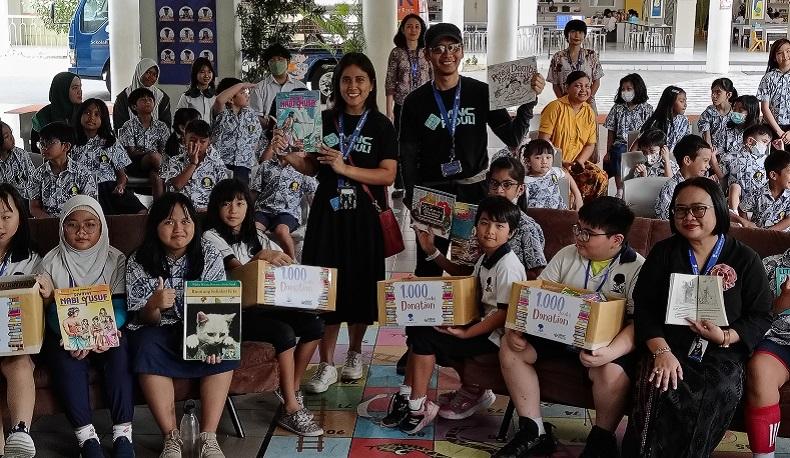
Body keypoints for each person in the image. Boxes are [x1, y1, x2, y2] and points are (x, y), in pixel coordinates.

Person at [623, 177, 773, 457]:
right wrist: (661, 352)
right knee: (659, 383)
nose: (688, 217)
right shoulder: (664, 253)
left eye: (698, 209)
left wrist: (726, 335)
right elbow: (645, 307)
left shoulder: (745, 258)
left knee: (716, 388)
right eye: (680, 210)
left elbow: (761, 315)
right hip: (668, 344)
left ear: (718, 209)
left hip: (721, 350)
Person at [280, 52, 396, 393]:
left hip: (364, 217)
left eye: (360, 79)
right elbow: (315, 168)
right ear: (337, 84)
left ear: (371, 84)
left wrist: (345, 168)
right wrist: (290, 157)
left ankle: (355, 354)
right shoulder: (324, 120)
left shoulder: (381, 125)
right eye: (346, 80)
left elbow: (387, 175)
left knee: (360, 286)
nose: (353, 86)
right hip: (328, 216)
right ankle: (327, 363)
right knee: (326, 288)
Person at [495, 197, 644, 458]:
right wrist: (516, 329)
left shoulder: (637, 268)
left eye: (588, 233)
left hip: (605, 345)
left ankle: (602, 440)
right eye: (578, 229)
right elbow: (537, 294)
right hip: (559, 333)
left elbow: (638, 324)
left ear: (616, 240)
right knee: (511, 347)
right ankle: (534, 431)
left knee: (610, 371)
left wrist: (608, 352)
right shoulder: (567, 255)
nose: (579, 237)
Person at [400, 22, 544, 278]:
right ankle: (422, 320)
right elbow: (407, 154)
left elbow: (512, 136)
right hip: (432, 194)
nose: (447, 54)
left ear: (462, 51)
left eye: (453, 47)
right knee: (428, 265)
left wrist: (528, 102)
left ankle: (472, 319)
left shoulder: (480, 93)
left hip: (472, 192)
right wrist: (412, 197)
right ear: (427, 54)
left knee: (472, 265)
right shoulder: (415, 101)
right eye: (439, 48)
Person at [394, 196, 526, 434]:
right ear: (476, 226)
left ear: (512, 233)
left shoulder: (508, 266)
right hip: (478, 323)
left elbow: (504, 314)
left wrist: (467, 333)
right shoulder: (488, 257)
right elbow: (465, 277)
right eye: (485, 223)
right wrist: (432, 252)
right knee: (417, 322)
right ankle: (407, 396)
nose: (490, 231)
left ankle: (417, 407)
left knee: (424, 335)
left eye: (499, 226)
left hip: (494, 337)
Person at [202, 179, 324, 436]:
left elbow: (286, 266)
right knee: (282, 333)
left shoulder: (257, 236)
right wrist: (260, 258)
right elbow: (237, 272)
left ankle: (291, 387)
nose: (233, 210)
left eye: (239, 203)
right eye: (226, 204)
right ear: (216, 208)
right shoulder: (210, 236)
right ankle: (290, 408)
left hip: (262, 305)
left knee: (314, 324)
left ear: (249, 206)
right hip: (229, 309)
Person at [126, 193, 235, 458]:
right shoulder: (138, 260)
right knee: (145, 345)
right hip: (159, 329)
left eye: (185, 221)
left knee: (223, 344)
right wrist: (153, 304)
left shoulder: (208, 254)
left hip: (200, 326)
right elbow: (142, 319)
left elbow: (217, 308)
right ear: (155, 226)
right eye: (169, 222)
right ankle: (171, 438)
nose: (179, 229)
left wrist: (211, 339)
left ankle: (208, 437)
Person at [37, 195, 134, 458]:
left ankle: (123, 434)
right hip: (66, 335)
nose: (81, 231)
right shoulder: (50, 262)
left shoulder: (116, 259)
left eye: (91, 224)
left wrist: (102, 334)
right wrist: (71, 338)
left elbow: (120, 306)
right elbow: (50, 310)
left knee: (120, 347)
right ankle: (86, 438)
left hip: (105, 331)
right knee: (64, 357)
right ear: (61, 227)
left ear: (102, 226)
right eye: (72, 224)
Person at [416, 156, 547, 281]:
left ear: (520, 189)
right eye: (494, 183)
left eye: (507, 184)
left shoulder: (526, 227)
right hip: (478, 296)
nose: (499, 190)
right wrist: (431, 250)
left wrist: (505, 278)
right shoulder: (474, 220)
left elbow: (538, 275)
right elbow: (465, 273)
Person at [0, 185, 42, 458]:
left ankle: (20, 434)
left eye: (5, 216)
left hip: (15, 339)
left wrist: (45, 291)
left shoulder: (32, 259)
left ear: (20, 218)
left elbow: (38, 308)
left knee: (19, 363)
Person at [746, 244, 790, 457]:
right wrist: (780, 304)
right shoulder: (769, 264)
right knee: (760, 369)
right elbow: (753, 315)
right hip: (777, 342)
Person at [538, 71, 607, 203]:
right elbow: (543, 141)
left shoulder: (589, 112)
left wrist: (580, 161)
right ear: (567, 87)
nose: (584, 90)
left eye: (587, 86)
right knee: (566, 187)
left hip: (576, 163)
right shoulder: (555, 107)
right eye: (578, 86)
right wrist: (560, 161)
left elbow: (590, 144)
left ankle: (592, 217)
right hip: (554, 163)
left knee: (601, 177)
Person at [249, 129, 316, 259]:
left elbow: (312, 195)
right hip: (264, 209)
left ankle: (291, 262)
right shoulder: (266, 165)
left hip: (287, 212)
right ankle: (257, 260)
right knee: (254, 230)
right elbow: (254, 192)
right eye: (282, 141)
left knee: (281, 231)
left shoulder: (302, 170)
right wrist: (247, 212)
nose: (285, 144)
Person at [385, 13, 432, 198]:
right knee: (403, 145)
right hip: (402, 106)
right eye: (409, 26)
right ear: (403, 30)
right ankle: (401, 185)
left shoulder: (427, 51)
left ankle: (422, 180)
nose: (413, 30)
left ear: (422, 30)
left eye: (417, 26)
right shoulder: (396, 52)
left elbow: (434, 78)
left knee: (426, 142)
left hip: (425, 106)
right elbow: (390, 82)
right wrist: (389, 111)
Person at [72, 98, 145, 215]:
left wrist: (120, 186)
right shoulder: (71, 144)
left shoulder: (110, 143)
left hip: (110, 188)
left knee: (141, 212)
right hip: (82, 190)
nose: (91, 117)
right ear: (80, 115)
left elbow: (121, 175)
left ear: (103, 119)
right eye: (87, 112)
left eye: (97, 114)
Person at [29, 122, 97, 218]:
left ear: (66, 146)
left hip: (76, 222)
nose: (44, 147)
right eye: (41, 143)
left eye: (49, 143)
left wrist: (70, 223)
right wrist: (51, 223)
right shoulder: (38, 175)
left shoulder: (83, 173)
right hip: (47, 223)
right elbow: (34, 208)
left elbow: (89, 205)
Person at [604, 73, 653, 196]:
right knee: (618, 152)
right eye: (623, 89)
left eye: (629, 89)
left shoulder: (647, 109)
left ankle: (638, 189)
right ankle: (620, 189)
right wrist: (608, 151)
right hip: (621, 144)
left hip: (641, 145)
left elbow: (651, 131)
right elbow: (611, 131)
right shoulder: (617, 108)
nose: (625, 92)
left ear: (637, 89)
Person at [161, 120, 227, 212]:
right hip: (181, 212)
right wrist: (193, 163)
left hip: (207, 213)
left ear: (209, 143)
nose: (197, 145)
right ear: (184, 140)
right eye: (193, 140)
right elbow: (177, 185)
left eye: (202, 142)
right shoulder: (175, 161)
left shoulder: (216, 163)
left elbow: (224, 193)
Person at [117, 87, 170, 199]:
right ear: (134, 106)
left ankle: (158, 209)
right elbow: (131, 153)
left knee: (156, 176)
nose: (147, 101)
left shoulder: (161, 126)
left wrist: (154, 154)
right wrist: (150, 153)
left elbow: (165, 150)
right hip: (135, 165)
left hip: (156, 166)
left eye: (150, 99)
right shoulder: (129, 125)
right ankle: (170, 178)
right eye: (143, 99)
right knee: (155, 157)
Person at [211, 78, 261, 185]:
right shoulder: (222, 114)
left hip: (244, 165)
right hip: (222, 163)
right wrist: (241, 84)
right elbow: (219, 100)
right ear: (230, 99)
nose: (247, 95)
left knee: (240, 196)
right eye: (243, 93)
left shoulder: (251, 115)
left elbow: (256, 139)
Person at [654, 135, 713, 220]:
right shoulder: (670, 188)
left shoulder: (707, 185)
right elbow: (664, 221)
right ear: (687, 160)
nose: (708, 166)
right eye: (705, 161)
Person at [546, 19, 604, 103]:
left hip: (587, 103)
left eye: (580, 32)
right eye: (573, 32)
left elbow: (597, 81)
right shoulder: (558, 57)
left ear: (584, 35)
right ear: (566, 35)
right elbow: (555, 84)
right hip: (565, 103)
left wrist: (588, 99)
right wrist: (564, 102)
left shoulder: (591, 55)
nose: (577, 35)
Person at [249, 44, 307, 129]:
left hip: (296, 134)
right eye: (272, 60)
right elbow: (256, 116)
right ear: (267, 64)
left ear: (287, 61)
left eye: (280, 59)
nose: (276, 63)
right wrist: (271, 125)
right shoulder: (259, 88)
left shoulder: (300, 87)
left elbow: (307, 112)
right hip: (269, 135)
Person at [733, 149, 790, 231]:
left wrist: (768, 232)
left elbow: (788, 220)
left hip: (780, 237)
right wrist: (747, 227)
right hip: (759, 236)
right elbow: (742, 209)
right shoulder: (756, 194)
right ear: (773, 175)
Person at [721, 123, 773, 211]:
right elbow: (721, 174)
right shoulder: (730, 156)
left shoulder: (766, 159)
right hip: (739, 197)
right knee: (734, 187)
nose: (765, 146)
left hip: (758, 197)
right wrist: (713, 161)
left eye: (767, 144)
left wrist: (781, 150)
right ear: (750, 141)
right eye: (764, 142)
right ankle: (734, 214)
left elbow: (778, 172)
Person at [522, 139, 583, 210]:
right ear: (528, 161)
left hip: (561, 214)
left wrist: (578, 196)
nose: (544, 161)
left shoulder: (554, 172)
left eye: (548, 157)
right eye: (538, 158)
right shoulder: (525, 182)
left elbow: (566, 174)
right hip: (539, 217)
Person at [31, 72, 82, 155]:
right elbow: (36, 150)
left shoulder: (85, 112)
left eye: (80, 87)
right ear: (62, 90)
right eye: (75, 88)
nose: (79, 92)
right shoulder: (42, 117)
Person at [113, 58, 172, 130]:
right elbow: (119, 126)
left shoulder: (161, 97)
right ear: (139, 72)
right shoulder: (123, 98)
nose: (151, 77)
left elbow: (166, 125)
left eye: (154, 75)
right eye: (148, 72)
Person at [640, 86, 690, 153]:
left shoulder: (684, 120)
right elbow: (641, 145)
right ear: (670, 102)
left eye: (685, 100)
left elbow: (687, 142)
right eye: (681, 101)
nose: (685, 104)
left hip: (676, 159)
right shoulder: (655, 122)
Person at [758, 39, 790, 144]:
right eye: (780, 53)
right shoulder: (768, 78)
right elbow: (765, 108)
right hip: (771, 128)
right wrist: (779, 132)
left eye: (788, 51)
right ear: (774, 57)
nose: (785, 56)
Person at [0, 121, 37, 201]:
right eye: (6, 136)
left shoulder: (21, 154)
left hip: (25, 202)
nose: (12, 138)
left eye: (11, 133)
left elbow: (33, 181)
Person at [176, 57, 216, 123]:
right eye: (202, 72)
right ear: (195, 74)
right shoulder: (186, 97)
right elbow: (179, 120)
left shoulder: (216, 96)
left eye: (209, 72)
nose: (206, 75)